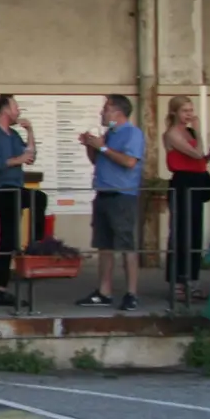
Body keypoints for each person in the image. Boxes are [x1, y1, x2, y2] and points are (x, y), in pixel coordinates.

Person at [0, 94, 45, 307]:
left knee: (37, 200)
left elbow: (30, 156)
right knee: (8, 237)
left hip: (14, 189)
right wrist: (17, 160)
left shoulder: (13, 135)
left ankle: (35, 244)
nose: (19, 111)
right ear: (5, 109)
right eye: (16, 106)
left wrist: (30, 132)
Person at [76, 95, 145, 310]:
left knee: (126, 245)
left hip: (122, 195)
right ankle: (103, 292)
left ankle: (131, 293)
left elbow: (129, 162)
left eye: (105, 109)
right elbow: (98, 160)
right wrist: (91, 146)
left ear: (117, 112)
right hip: (103, 193)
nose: (102, 113)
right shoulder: (110, 134)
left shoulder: (133, 133)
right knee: (104, 245)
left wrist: (103, 148)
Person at [161, 94, 210, 302]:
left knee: (195, 231)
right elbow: (196, 153)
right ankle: (178, 282)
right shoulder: (172, 133)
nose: (189, 115)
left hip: (196, 181)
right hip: (183, 182)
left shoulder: (189, 131)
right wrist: (200, 132)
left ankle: (192, 280)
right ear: (175, 112)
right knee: (181, 231)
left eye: (191, 111)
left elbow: (200, 156)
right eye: (185, 111)